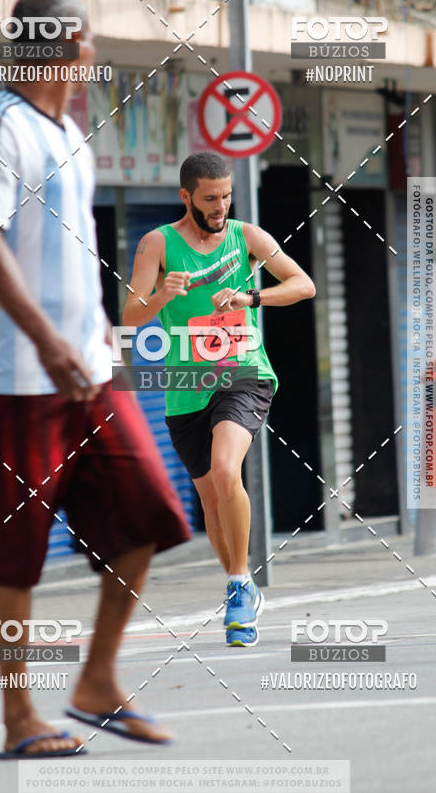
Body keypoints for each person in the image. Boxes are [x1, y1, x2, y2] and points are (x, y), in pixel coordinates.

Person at [0, 0, 191, 759]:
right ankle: (19, 716)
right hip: (16, 381)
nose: (94, 55)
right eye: (88, 42)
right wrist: (48, 342)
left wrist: (97, 345)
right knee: (16, 556)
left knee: (150, 513)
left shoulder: (70, 133)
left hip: (92, 372)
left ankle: (96, 679)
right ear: (66, 48)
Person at [123, 152, 315, 647]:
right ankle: (242, 581)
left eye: (226, 196)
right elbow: (129, 318)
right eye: (210, 199)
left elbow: (302, 284)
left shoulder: (246, 237)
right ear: (186, 196)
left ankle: (237, 583)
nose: (220, 206)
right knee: (210, 496)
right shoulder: (156, 244)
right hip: (185, 385)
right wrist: (162, 296)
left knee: (228, 471)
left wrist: (252, 298)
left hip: (243, 373)